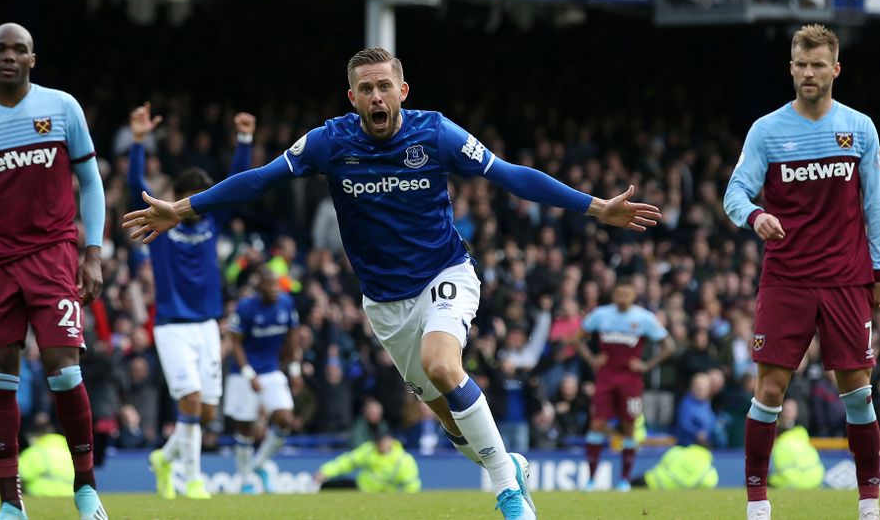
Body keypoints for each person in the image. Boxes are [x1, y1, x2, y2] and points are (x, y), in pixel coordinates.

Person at [123, 47, 661, 519]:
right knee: (453, 424)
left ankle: (507, 491)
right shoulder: (328, 142)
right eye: (366, 89)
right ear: (352, 98)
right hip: (385, 304)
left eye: (384, 86)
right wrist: (183, 209)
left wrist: (595, 207)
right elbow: (259, 180)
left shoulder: (436, 132)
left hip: (445, 274)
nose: (376, 96)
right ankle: (507, 464)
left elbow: (509, 174)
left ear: (402, 91)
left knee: (443, 364)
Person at [0, 23, 107, 520]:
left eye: (19, 50)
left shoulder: (62, 107)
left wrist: (92, 252)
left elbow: (90, 181)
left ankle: (86, 488)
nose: (9, 56)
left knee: (64, 370)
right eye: (1, 49)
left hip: (52, 256)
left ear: (33, 59)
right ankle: (11, 504)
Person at [724, 23, 880, 520]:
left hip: (846, 278)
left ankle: (870, 503)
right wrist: (756, 216)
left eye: (818, 65)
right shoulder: (766, 131)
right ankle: (757, 503)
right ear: (790, 68)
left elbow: (874, 206)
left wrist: (878, 271)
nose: (809, 72)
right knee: (769, 390)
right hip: (786, 279)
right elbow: (734, 193)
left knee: (858, 394)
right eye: (801, 64)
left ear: (836, 69)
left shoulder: (860, 129)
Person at [127, 103, 257, 499]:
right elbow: (135, 185)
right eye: (193, 195)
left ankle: (165, 458)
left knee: (206, 411)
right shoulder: (161, 226)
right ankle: (192, 477)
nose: (199, 202)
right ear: (179, 197)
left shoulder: (212, 221)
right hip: (172, 327)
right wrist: (138, 142)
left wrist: (245, 140)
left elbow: (237, 184)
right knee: (191, 400)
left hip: (207, 326)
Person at [571, 278, 675, 491]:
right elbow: (576, 338)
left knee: (629, 425)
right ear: (613, 295)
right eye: (619, 294)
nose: (622, 299)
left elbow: (669, 346)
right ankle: (591, 479)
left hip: (630, 380)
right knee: (597, 424)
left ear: (633, 295)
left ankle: (624, 479)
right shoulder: (601, 315)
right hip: (605, 377)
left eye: (626, 294)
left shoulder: (644, 318)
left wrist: (647, 365)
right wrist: (592, 359)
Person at [223, 267, 300, 494]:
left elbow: (292, 337)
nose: (275, 289)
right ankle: (245, 479)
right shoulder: (245, 307)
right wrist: (248, 374)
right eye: (270, 285)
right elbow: (235, 342)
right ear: (260, 287)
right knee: (245, 428)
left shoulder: (286, 304)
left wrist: (295, 370)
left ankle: (258, 464)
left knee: (285, 419)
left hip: (271, 370)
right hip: (243, 373)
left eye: (277, 284)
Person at [313, 427, 421, 493]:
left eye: (384, 440)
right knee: (328, 487)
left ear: (391, 440)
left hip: (385, 496)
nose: (381, 443)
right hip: (360, 489)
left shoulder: (403, 460)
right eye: (378, 440)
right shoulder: (369, 449)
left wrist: (406, 502)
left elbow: (411, 484)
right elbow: (347, 462)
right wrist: (325, 471)